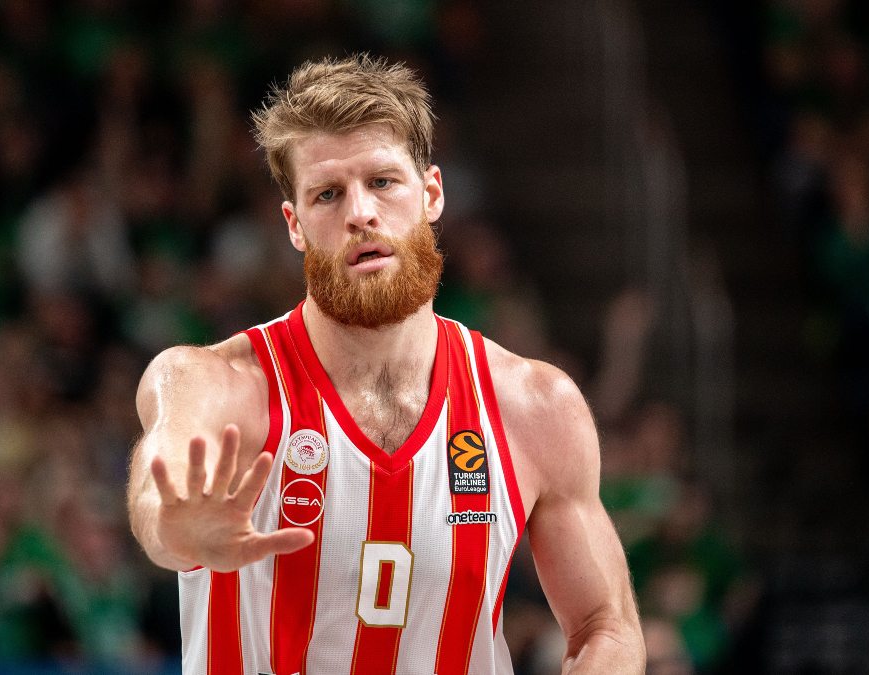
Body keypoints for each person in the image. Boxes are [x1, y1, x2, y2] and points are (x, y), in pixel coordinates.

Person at [126, 54, 644, 674]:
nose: (360, 213)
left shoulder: (534, 406)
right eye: (327, 194)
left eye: (382, 182)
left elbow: (606, 626)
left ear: (432, 193)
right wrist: (176, 529)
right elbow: (158, 495)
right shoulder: (213, 382)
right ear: (295, 225)